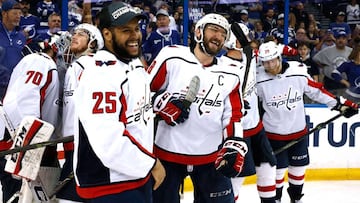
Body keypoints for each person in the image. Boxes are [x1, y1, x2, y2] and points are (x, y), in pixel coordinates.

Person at [148, 13, 248, 203]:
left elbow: (233, 115)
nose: (218, 37)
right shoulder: (172, 57)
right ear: (199, 31)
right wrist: (162, 104)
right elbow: (142, 93)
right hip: (166, 156)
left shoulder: (231, 73)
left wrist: (234, 145)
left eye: (223, 34)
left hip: (210, 158)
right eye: (214, 30)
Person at [72, 2, 165, 202]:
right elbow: (109, 143)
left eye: (136, 29)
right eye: (125, 30)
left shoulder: (132, 65)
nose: (135, 35)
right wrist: (151, 164)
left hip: (134, 176)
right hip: (110, 186)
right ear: (106, 34)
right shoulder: (101, 74)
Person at [256, 41, 358, 203]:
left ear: (279, 57)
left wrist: (340, 105)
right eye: (265, 62)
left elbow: (317, 91)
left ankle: (296, 198)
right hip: (273, 135)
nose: (270, 65)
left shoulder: (298, 72)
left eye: (273, 60)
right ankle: (276, 199)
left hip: (299, 132)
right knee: (277, 171)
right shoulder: (258, 80)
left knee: (298, 168)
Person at [0, 33, 65, 203]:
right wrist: (28, 144)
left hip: (30, 141)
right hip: (24, 142)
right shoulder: (41, 61)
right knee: (20, 194)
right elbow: (24, 100)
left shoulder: (40, 62)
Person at [221, 22, 277, 203]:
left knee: (268, 170)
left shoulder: (250, 56)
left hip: (256, 129)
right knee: (235, 180)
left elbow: (271, 51)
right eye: (246, 38)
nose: (251, 41)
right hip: (238, 132)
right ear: (236, 41)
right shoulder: (223, 67)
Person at [58, 23, 104, 202]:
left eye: (82, 34)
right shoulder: (77, 65)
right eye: (74, 33)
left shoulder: (87, 64)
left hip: (82, 144)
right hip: (78, 143)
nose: (74, 36)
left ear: (93, 42)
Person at [312, 31, 352, 96]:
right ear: (335, 40)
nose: (341, 40)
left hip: (345, 82)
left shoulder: (351, 51)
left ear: (347, 40)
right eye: (339, 38)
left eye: (343, 38)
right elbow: (315, 59)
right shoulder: (327, 50)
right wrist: (322, 66)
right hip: (330, 82)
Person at [0, 0, 26, 100]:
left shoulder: (21, 36)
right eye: (14, 13)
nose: (18, 16)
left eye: (20, 13)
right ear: (4, 13)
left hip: (15, 88)